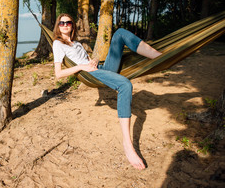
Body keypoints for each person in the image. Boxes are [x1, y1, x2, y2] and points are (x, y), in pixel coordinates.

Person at [52, 13, 162, 170]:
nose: (64, 25)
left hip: (99, 68)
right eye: (61, 23)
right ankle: (127, 143)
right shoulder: (58, 44)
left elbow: (86, 60)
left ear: (72, 25)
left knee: (120, 33)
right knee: (125, 85)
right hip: (91, 75)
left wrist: (93, 60)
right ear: (58, 26)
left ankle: (159, 57)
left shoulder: (76, 43)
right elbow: (58, 73)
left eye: (68, 22)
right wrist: (82, 67)